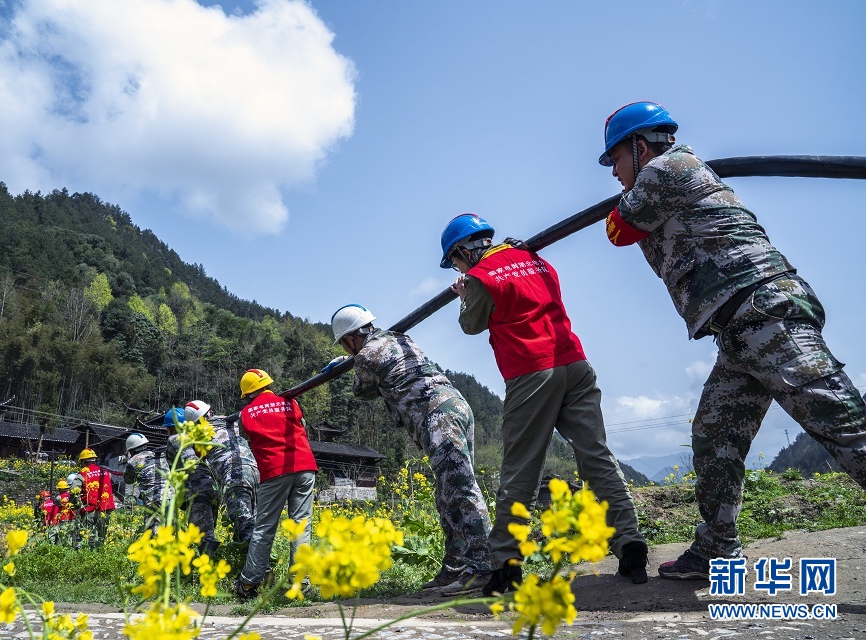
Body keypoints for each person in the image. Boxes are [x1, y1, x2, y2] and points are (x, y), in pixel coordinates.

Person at [598, 101, 866, 579]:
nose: (615, 174)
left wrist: (621, 208)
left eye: (615, 160)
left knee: (843, 426)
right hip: (738, 331)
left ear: (639, 147)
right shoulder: (666, 174)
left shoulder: (666, 168)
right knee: (714, 436)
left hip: (765, 313)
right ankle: (717, 549)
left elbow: (618, 230)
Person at [440, 213, 649, 593]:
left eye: (453, 260)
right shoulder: (536, 258)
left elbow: (471, 325)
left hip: (531, 372)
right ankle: (631, 544)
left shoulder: (480, 278)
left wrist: (464, 295)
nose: (455, 267)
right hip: (575, 363)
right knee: (596, 456)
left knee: (521, 469)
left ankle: (507, 563)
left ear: (462, 251)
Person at [327, 304, 492, 594]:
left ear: (351, 338)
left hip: (437, 415)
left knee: (460, 489)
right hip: (455, 406)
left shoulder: (366, 356)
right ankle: (454, 569)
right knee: (447, 494)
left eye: (344, 343)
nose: (347, 348)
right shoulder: (398, 338)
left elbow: (362, 390)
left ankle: (484, 566)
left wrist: (349, 364)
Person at [234, 369, 317, 601]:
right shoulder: (291, 401)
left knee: (264, 528)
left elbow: (247, 437)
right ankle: (300, 585)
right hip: (304, 465)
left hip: (274, 471)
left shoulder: (246, 413)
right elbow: (302, 427)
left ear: (248, 394)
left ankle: (249, 584)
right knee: (301, 526)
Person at [184, 400, 260, 545]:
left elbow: (199, 457)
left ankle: (259, 564)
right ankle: (251, 560)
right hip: (255, 472)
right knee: (255, 521)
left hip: (234, 477)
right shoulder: (233, 421)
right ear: (210, 412)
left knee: (243, 522)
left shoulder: (199, 434)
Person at [165, 407, 223, 556]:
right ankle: (218, 561)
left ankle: (207, 568)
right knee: (208, 530)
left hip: (196, 491)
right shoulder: (198, 436)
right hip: (213, 487)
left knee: (202, 536)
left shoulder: (173, 440)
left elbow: (172, 469)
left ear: (170, 428)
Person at [124, 432, 171, 535]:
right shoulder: (158, 455)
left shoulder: (133, 461)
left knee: (154, 532)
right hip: (171, 496)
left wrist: (128, 462)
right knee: (170, 530)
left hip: (154, 499)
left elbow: (128, 480)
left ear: (132, 450)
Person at [77, 448, 116, 548]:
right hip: (106, 509)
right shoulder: (106, 472)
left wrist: (76, 505)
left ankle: (90, 556)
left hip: (89, 510)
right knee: (102, 536)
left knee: (88, 537)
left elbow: (74, 490)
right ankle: (100, 554)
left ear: (83, 462)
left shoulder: (82, 474)